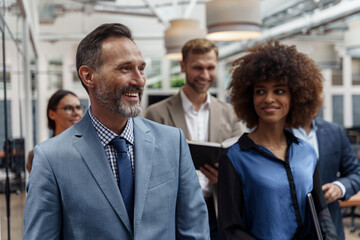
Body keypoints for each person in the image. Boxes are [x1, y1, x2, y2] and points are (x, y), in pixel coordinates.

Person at [23, 23, 209, 239]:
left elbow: (195, 231)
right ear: (88, 76)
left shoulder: (173, 142)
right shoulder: (51, 158)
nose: (139, 80)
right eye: (125, 68)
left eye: (141, 68)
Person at [217, 40, 338, 239]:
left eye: (279, 91)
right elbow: (230, 230)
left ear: (295, 97)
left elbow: (320, 209)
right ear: (249, 97)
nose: (269, 99)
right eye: (260, 91)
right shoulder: (234, 158)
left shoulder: (307, 152)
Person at [144, 38, 242, 240]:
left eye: (210, 67)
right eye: (198, 68)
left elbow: (244, 164)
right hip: (174, 210)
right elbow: (146, 168)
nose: (205, 75)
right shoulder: (156, 114)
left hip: (217, 209)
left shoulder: (230, 113)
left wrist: (226, 175)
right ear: (183, 66)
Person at [292, 117, 360, 239]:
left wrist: (339, 187)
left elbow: (356, 172)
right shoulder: (276, 131)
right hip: (291, 228)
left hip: (330, 224)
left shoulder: (334, 131)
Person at [26, 89, 83, 173]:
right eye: (68, 108)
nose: (76, 113)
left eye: (78, 107)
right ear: (52, 114)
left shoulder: (91, 149)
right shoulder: (37, 155)